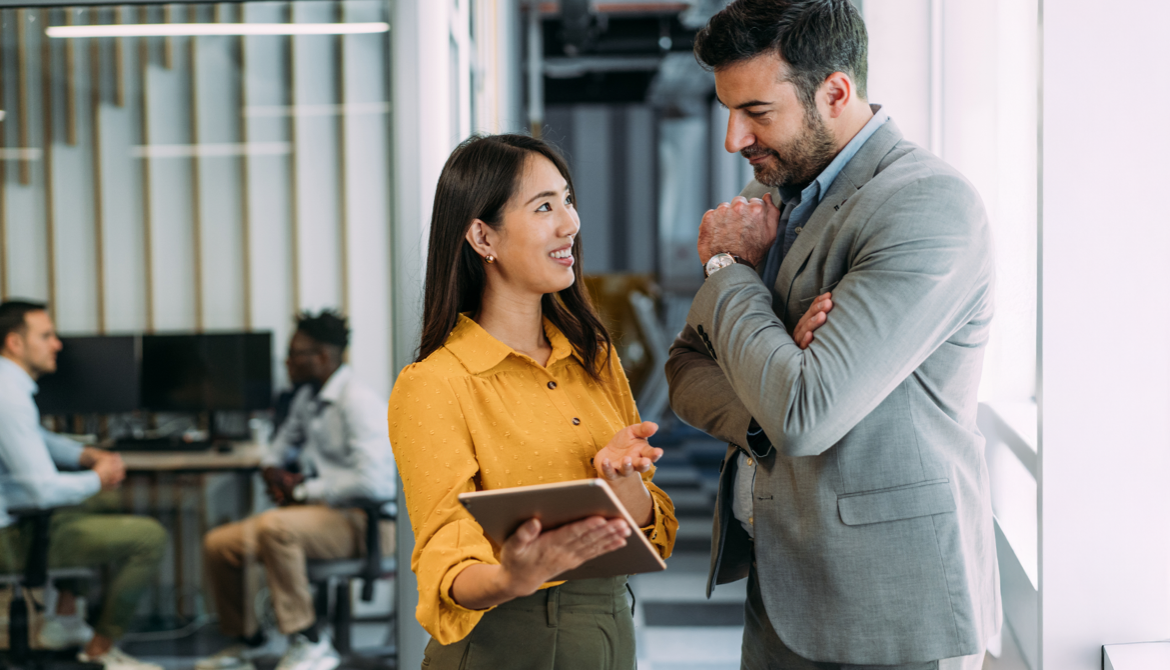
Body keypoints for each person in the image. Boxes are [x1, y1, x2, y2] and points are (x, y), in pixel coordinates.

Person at [664, 1, 1001, 669]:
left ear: (836, 91)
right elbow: (686, 366)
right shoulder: (777, 198)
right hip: (783, 582)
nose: (734, 139)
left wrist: (729, 270)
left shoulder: (926, 205)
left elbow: (804, 411)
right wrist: (776, 371)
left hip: (889, 606)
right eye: (730, 111)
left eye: (757, 113)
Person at [389, 134, 678, 669]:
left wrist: (625, 484)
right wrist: (510, 577)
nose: (570, 223)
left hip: (609, 628)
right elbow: (443, 552)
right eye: (544, 206)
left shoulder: (594, 357)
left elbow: (650, 534)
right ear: (482, 236)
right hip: (503, 641)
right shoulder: (435, 384)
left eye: (567, 201)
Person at [198, 310, 397, 670]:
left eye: (294, 354)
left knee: (277, 527)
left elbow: (375, 483)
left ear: (321, 357)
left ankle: (311, 641)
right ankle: (251, 643)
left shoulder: (358, 402)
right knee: (219, 545)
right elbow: (279, 449)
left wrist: (304, 491)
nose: (287, 362)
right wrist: (274, 471)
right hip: (325, 515)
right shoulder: (307, 399)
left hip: (369, 524)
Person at [0, 300, 168, 670]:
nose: (57, 344)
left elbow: (38, 439)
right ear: (14, 343)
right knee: (149, 538)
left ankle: (64, 621)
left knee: (100, 502)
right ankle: (101, 650)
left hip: (9, 513)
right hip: (6, 539)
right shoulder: (8, 398)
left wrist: (86, 456)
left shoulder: (6, 386)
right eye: (46, 336)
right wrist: (97, 477)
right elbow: (42, 490)